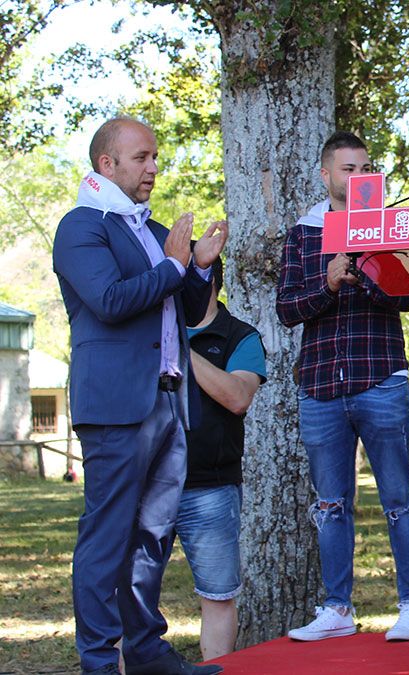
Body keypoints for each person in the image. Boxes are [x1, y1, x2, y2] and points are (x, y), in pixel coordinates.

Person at [54, 116, 227, 675]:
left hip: (171, 401)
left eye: (155, 157)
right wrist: (176, 264)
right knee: (108, 537)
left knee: (153, 536)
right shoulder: (81, 226)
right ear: (107, 164)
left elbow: (188, 306)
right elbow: (109, 300)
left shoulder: (151, 231)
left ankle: (148, 653)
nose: (154, 167)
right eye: (142, 158)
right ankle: (100, 663)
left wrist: (198, 267)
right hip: (117, 405)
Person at [276, 131, 409, 643]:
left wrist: (368, 267)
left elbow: (407, 300)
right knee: (330, 504)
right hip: (319, 386)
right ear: (326, 175)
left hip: (380, 378)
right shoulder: (303, 233)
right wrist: (328, 280)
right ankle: (337, 609)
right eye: (348, 169)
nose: (359, 177)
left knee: (400, 499)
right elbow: (287, 309)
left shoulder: (390, 227)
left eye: (366, 168)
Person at [176, 254, 266, 661]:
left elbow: (236, 396)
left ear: (208, 281)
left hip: (210, 489)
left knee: (217, 596)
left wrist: (180, 350)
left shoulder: (240, 336)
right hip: (146, 483)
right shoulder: (143, 330)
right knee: (130, 592)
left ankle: (216, 669)